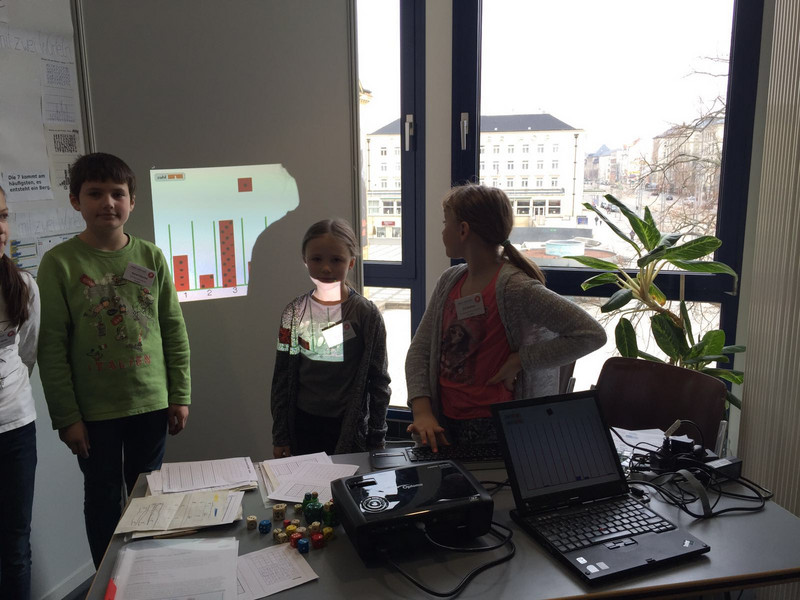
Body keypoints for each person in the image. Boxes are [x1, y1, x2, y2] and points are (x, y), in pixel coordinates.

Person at [37, 153, 191, 567]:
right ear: (75, 200)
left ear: (132, 202)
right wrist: (66, 416)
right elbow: (51, 346)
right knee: (103, 498)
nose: (108, 202)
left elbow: (173, 330)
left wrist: (180, 394)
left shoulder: (151, 257)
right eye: (95, 193)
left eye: (117, 193)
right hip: (94, 413)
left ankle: (147, 574)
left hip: (150, 403)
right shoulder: (59, 263)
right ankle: (110, 581)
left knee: (147, 496)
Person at [406, 184, 606, 451]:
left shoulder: (515, 288)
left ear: (463, 230)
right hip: (445, 424)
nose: (442, 232)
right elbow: (420, 350)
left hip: (498, 430)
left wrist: (520, 360)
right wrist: (422, 411)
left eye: (445, 223)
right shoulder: (449, 281)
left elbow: (591, 335)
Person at [271, 219, 390, 458]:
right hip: (303, 427)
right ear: (305, 260)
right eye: (317, 259)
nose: (326, 268)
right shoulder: (293, 313)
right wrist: (281, 435)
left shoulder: (366, 315)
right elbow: (282, 376)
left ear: (351, 262)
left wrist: (377, 436)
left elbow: (379, 381)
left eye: (336, 260)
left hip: (348, 428)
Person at [0, 185, 40, 600]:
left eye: (3, 216)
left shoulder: (22, 285)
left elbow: (26, 353)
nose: (1, 228)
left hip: (15, 429)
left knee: (15, 545)